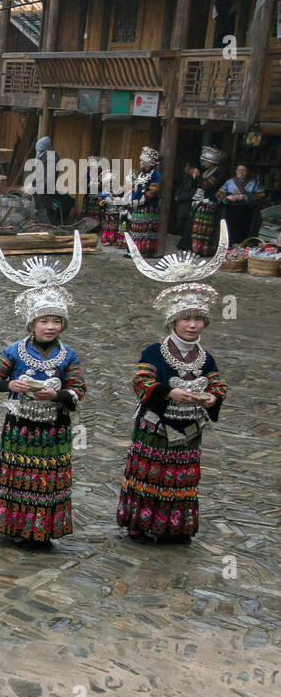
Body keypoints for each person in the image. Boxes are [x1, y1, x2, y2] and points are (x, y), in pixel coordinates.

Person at [117, 221, 229, 542]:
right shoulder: (154, 351)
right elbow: (141, 381)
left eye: (198, 319)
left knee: (181, 480)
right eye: (186, 319)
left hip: (189, 429)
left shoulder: (205, 357)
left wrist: (211, 399)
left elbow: (217, 383)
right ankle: (142, 523)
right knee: (150, 476)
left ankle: (175, 527)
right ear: (173, 321)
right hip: (155, 425)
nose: (192, 325)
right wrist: (169, 392)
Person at [0, 233, 86, 549]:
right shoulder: (13, 352)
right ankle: (13, 525)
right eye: (43, 321)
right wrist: (8, 384)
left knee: (45, 479)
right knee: (17, 475)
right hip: (20, 425)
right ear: (31, 324)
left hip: (53, 428)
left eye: (56, 321)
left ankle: (40, 531)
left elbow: (78, 387)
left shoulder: (68, 355)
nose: (50, 326)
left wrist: (58, 395)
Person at [190, 147, 227, 256]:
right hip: (201, 201)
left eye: (205, 161)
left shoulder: (218, 173)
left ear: (212, 162)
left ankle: (204, 250)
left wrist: (198, 176)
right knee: (197, 226)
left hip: (209, 202)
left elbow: (207, 185)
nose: (204, 163)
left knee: (206, 227)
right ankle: (196, 249)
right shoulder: (206, 171)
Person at [126, 146, 161, 256]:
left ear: (149, 162)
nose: (140, 162)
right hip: (137, 206)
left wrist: (141, 201)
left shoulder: (155, 175)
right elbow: (136, 188)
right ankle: (134, 251)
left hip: (147, 206)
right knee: (135, 230)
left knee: (145, 230)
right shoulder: (141, 174)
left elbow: (153, 190)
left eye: (143, 160)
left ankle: (144, 251)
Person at [217, 163, 260, 245]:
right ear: (236, 171)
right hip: (231, 211)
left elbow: (261, 195)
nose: (241, 172)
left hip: (247, 212)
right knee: (230, 232)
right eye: (239, 170)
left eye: (244, 170)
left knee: (245, 233)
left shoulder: (255, 183)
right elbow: (219, 194)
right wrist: (227, 198)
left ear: (247, 172)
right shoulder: (229, 182)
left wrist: (246, 197)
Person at [25, 136, 59, 225]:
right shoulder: (44, 156)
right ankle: (42, 225)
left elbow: (49, 177)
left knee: (44, 210)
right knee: (38, 209)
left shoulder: (51, 158)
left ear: (44, 147)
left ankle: (47, 227)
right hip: (40, 189)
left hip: (44, 190)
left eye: (40, 148)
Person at [172, 158, 200, 251]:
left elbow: (192, 193)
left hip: (188, 205)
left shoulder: (195, 180)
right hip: (182, 206)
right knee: (180, 226)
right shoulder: (186, 178)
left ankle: (186, 245)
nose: (185, 168)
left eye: (186, 166)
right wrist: (177, 196)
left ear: (192, 168)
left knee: (186, 226)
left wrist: (179, 197)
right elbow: (180, 189)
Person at [97, 171, 127, 246]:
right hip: (108, 212)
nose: (110, 184)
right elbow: (100, 201)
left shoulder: (120, 190)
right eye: (108, 183)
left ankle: (118, 240)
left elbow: (123, 200)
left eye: (112, 182)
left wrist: (117, 200)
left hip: (118, 212)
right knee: (108, 226)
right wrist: (103, 202)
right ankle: (108, 240)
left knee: (118, 227)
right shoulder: (105, 192)